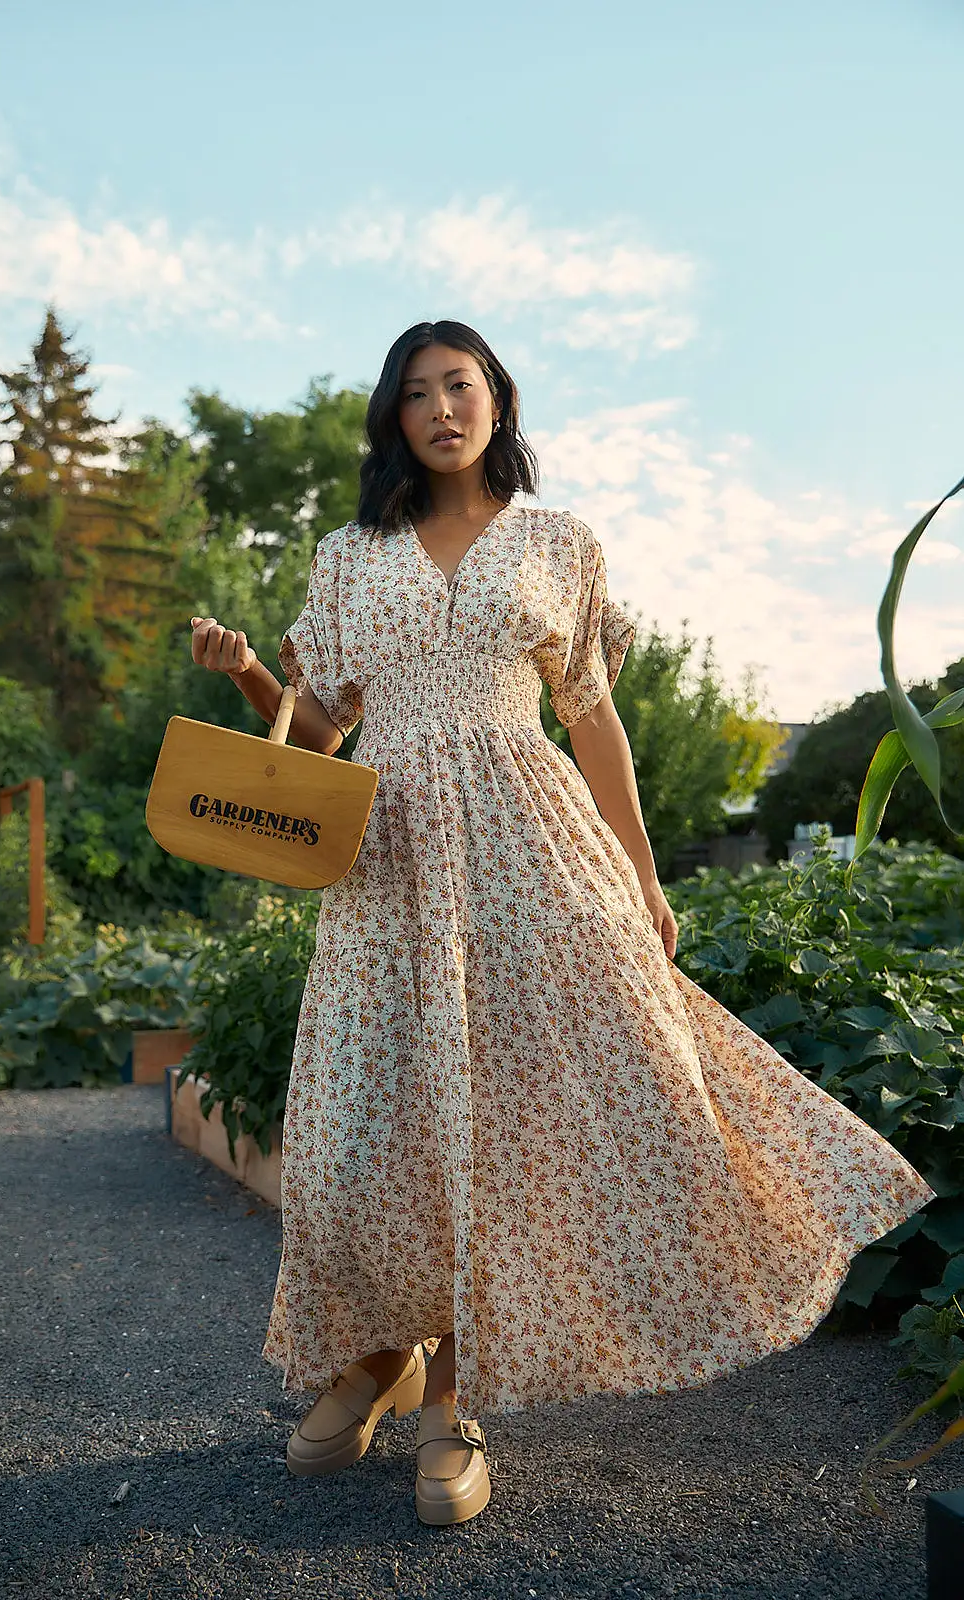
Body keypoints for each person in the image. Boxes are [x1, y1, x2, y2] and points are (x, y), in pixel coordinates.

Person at [190, 319, 936, 1528]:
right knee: (364, 1125)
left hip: (529, 849)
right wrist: (240, 674)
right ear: (392, 419)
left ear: (497, 402)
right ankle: (386, 1354)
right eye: (418, 393)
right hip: (387, 866)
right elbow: (315, 738)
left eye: (461, 385)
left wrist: (642, 876)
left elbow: (593, 722)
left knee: (510, 1110)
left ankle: (452, 1400)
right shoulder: (348, 555)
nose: (441, 408)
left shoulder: (557, 543)